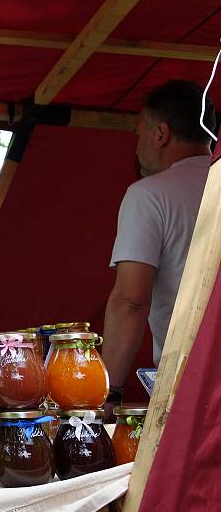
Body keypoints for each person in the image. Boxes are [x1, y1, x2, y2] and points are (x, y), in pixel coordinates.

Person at [102, 80, 214, 410]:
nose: (136, 147)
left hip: (193, 380)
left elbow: (131, 299)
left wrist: (108, 394)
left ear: (161, 134)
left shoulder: (149, 195)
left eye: (139, 134)